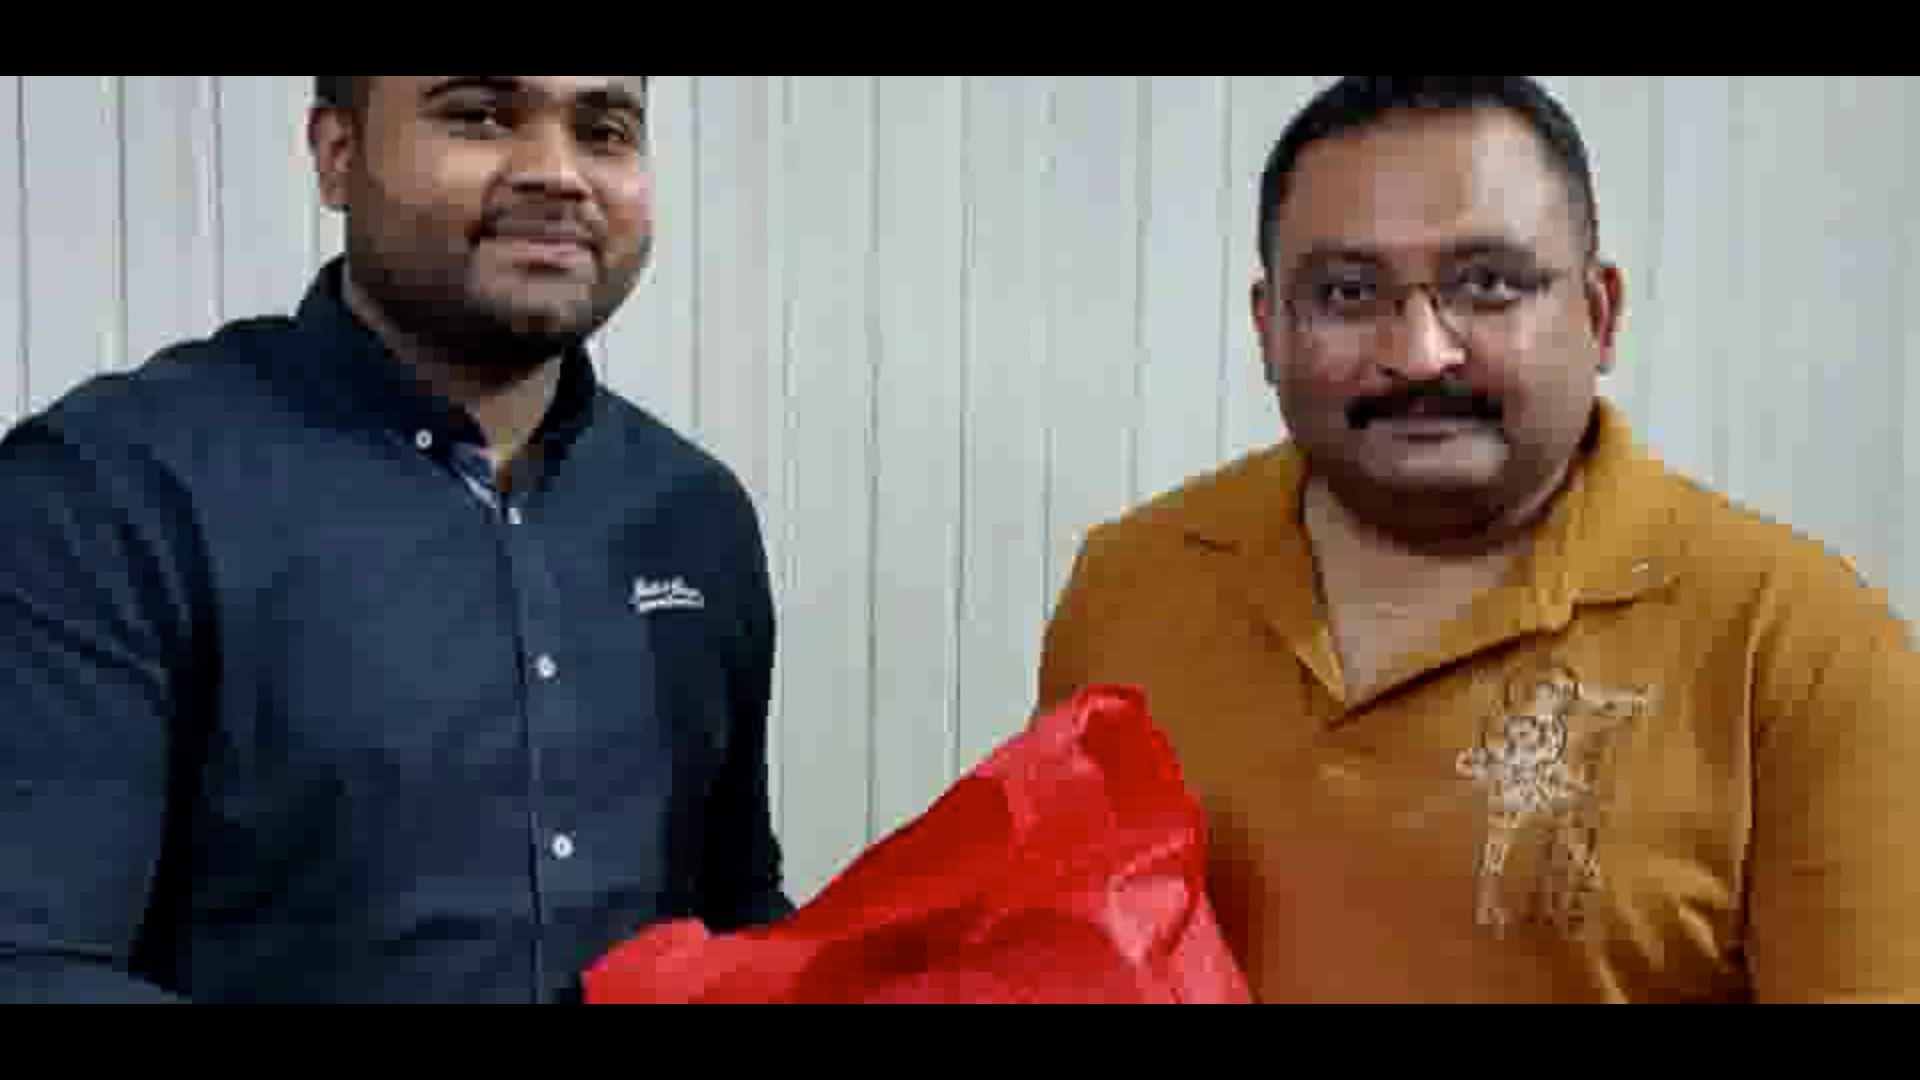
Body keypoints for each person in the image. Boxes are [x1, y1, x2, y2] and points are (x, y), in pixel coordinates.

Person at [1036, 76, 1918, 1003]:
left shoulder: (1800, 650)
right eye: (1347, 293)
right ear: (1269, 330)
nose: (1420, 353)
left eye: (1488, 285)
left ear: (1600, 314)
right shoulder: (1130, 587)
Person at [0, 76, 792, 1003]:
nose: (558, 171)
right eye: (482, 115)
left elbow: (735, 918)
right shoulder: (111, 492)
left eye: (604, 130)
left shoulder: (692, 515)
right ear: (338, 154)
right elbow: (29, 964)